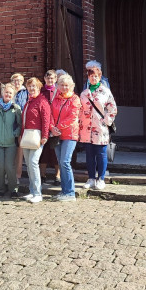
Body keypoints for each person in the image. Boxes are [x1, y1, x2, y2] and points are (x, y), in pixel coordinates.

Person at [79, 62, 117, 190]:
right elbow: (80, 109)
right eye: (91, 76)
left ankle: (101, 178)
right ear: (88, 78)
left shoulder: (105, 91)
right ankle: (91, 178)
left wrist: (106, 121)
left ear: (99, 77)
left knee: (101, 154)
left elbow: (112, 108)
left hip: (100, 128)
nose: (93, 78)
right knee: (89, 154)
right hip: (87, 129)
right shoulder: (84, 93)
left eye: (95, 76)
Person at [50, 73, 82, 201]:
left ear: (72, 86)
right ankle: (64, 191)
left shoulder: (75, 99)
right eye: (62, 85)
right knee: (60, 162)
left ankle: (70, 193)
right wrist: (52, 127)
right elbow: (50, 114)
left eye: (66, 85)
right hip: (56, 134)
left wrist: (58, 127)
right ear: (58, 86)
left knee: (65, 162)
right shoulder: (55, 98)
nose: (64, 87)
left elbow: (73, 117)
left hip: (69, 134)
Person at [20, 77, 51, 204]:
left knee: (33, 162)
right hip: (27, 136)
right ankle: (32, 191)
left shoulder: (42, 101)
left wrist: (45, 136)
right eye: (29, 86)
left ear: (39, 88)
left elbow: (46, 119)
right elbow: (24, 121)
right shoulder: (28, 102)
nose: (31, 89)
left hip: (37, 136)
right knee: (28, 163)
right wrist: (21, 135)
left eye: (34, 86)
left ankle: (38, 193)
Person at [0, 83, 22, 197]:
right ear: (3, 93)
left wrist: (15, 133)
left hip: (10, 142)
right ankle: (0, 189)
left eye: (10, 93)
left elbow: (19, 124)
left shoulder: (16, 108)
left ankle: (13, 189)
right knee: (0, 166)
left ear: (13, 95)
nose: (8, 94)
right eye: (6, 92)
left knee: (9, 166)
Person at [40, 69, 60, 186]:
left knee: (55, 151)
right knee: (44, 152)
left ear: (55, 79)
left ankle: (57, 175)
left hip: (56, 125)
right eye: (48, 78)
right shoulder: (41, 91)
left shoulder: (58, 91)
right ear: (44, 79)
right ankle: (43, 175)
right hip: (43, 125)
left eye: (52, 78)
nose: (50, 80)